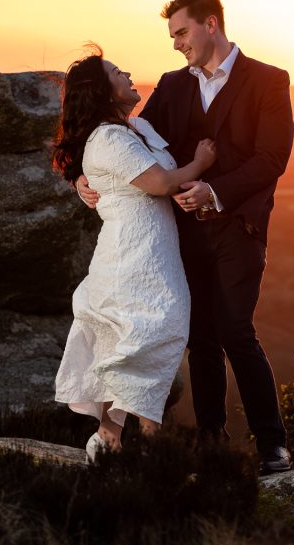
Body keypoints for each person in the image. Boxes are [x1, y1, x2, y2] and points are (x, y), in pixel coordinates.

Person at [77, 0, 294, 473]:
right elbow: (126, 137)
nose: (176, 44)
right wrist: (80, 174)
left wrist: (213, 191)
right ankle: (212, 443)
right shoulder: (174, 86)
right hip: (183, 237)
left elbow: (271, 158)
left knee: (237, 330)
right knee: (200, 339)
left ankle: (272, 444)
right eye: (172, 35)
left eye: (181, 32)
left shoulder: (268, 80)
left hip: (239, 226)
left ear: (210, 24)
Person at [51, 45, 217, 462]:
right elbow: (161, 183)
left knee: (145, 344)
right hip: (131, 257)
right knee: (146, 340)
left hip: (155, 254)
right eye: (115, 71)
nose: (126, 73)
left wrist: (85, 179)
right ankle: (143, 447)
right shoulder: (108, 138)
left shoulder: (135, 128)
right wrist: (200, 163)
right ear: (102, 92)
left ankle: (112, 443)